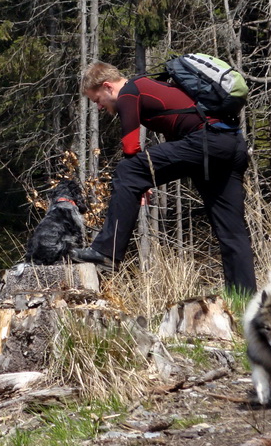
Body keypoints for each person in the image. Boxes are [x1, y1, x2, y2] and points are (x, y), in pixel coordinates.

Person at [70, 61, 257, 294]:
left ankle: (106, 252)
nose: (98, 107)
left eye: (96, 100)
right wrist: (144, 180)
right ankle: (244, 298)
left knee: (127, 170)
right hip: (231, 144)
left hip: (205, 143)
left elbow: (130, 146)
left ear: (108, 87)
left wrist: (139, 180)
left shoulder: (130, 91)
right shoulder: (153, 85)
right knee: (232, 229)